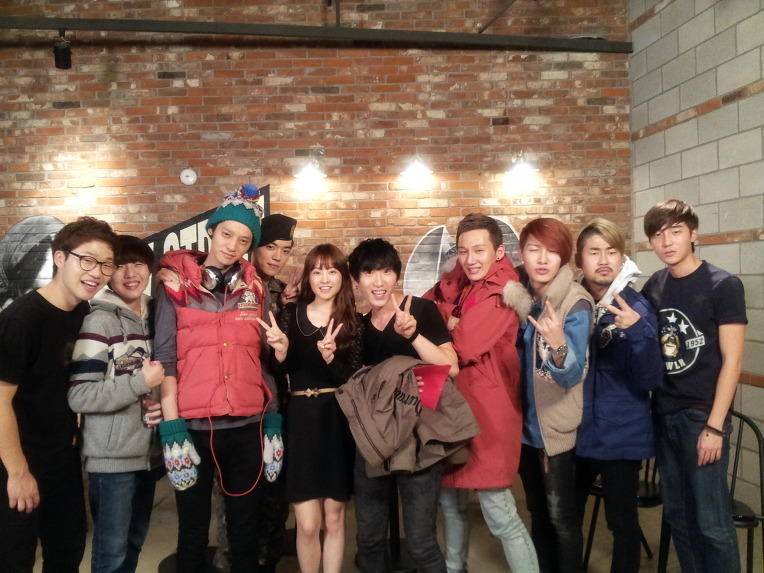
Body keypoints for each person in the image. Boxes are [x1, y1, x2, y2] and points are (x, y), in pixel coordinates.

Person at [154, 185, 275, 573]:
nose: (232, 246)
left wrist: (272, 417)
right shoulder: (174, 286)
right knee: (192, 531)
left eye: (243, 241)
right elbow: (165, 358)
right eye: (226, 234)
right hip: (192, 430)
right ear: (211, 231)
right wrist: (172, 428)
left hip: (246, 427)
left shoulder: (256, 289)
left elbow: (262, 360)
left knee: (244, 531)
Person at [0, 216, 118, 572]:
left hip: (62, 456)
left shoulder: (83, 312)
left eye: (106, 264)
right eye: (88, 260)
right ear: (60, 258)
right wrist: (18, 473)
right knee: (15, 558)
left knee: (67, 550)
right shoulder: (22, 319)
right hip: (17, 458)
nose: (97, 272)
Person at [423, 213, 538, 573]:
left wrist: (446, 324)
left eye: (479, 250)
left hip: (488, 414)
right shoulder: (463, 282)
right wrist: (448, 314)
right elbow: (424, 305)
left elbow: (463, 347)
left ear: (499, 252)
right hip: (453, 409)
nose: (470, 259)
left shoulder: (503, 291)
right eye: (463, 251)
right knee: (450, 506)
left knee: (500, 514)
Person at [641, 199, 746, 572]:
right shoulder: (655, 284)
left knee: (712, 523)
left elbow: (733, 361)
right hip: (664, 413)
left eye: (675, 231)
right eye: (658, 235)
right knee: (679, 517)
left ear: (693, 234)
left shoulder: (723, 285)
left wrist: (715, 427)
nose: (667, 241)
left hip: (701, 418)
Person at [347, 238, 458, 573]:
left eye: (386, 271)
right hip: (373, 441)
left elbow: (451, 367)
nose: (378, 281)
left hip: (418, 437)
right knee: (368, 540)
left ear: (396, 274)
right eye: (369, 273)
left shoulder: (420, 310)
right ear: (356, 280)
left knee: (421, 544)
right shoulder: (358, 326)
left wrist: (412, 335)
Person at [260, 243, 361, 573]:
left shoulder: (353, 321)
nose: (324, 278)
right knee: (306, 525)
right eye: (317, 271)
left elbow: (353, 380)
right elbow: (279, 374)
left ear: (343, 276)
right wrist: (280, 354)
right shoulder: (291, 314)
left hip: (337, 423)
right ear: (308, 277)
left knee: (334, 519)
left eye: (332, 271)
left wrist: (331, 359)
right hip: (301, 421)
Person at [68, 234, 166, 573]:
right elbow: (80, 394)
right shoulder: (98, 320)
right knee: (110, 553)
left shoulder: (158, 315)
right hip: (111, 461)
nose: (130, 273)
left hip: (149, 454)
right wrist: (140, 384)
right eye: (120, 265)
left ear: (149, 269)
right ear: (109, 272)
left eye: (138, 264)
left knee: (134, 543)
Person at [573, 218, 663, 573]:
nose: (603, 260)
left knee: (622, 523)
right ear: (579, 260)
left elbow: (651, 378)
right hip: (575, 431)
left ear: (622, 257)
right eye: (594, 252)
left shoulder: (635, 307)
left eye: (611, 251)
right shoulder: (570, 302)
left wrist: (639, 333)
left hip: (622, 434)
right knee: (566, 517)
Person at [212, 213, 298, 573]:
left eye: (286, 250)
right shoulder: (230, 285)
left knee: (275, 497)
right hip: (236, 408)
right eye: (270, 247)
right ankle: (231, 562)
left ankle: (268, 562)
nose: (277, 256)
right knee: (234, 500)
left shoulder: (284, 292)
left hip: (277, 405)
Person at [516, 217, 594, 573]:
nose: (542, 258)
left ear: (564, 257)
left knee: (562, 520)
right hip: (524, 429)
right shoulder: (521, 299)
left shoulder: (574, 302)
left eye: (552, 251)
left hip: (556, 429)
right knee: (537, 513)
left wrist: (559, 345)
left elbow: (573, 374)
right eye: (534, 249)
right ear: (522, 253)